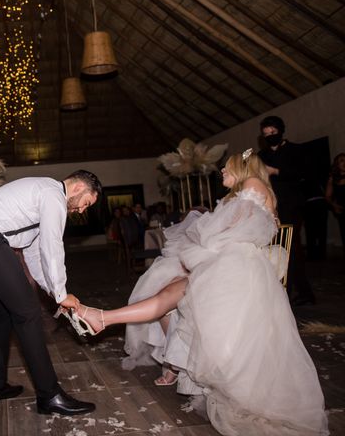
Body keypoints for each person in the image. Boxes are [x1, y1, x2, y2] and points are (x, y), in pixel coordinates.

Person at [70, 151, 328, 436]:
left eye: (226, 169)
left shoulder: (253, 184)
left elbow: (216, 232)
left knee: (168, 293)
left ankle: (103, 319)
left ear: (241, 169)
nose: (222, 174)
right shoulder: (253, 191)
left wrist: (199, 230)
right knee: (167, 293)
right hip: (233, 264)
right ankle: (102, 318)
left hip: (237, 269)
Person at [0, 170, 101, 415]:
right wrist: (61, 292)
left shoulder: (43, 195)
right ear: (77, 188)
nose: (82, 210)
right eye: (86, 203)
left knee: (3, 314)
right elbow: (52, 246)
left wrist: (53, 292)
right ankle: (49, 395)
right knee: (28, 314)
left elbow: (34, 253)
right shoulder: (53, 195)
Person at [258, 115, 315, 305]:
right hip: (271, 207)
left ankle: (300, 292)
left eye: (273, 132)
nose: (270, 136)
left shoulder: (296, 150)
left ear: (281, 131)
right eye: (266, 134)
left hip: (293, 205)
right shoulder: (261, 155)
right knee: (278, 249)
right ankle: (285, 291)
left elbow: (305, 173)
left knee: (292, 247)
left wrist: (276, 172)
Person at [326, 152, 345, 258]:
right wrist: (335, 206)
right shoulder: (333, 178)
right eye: (341, 161)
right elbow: (328, 196)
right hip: (341, 211)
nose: (344, 163)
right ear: (337, 164)